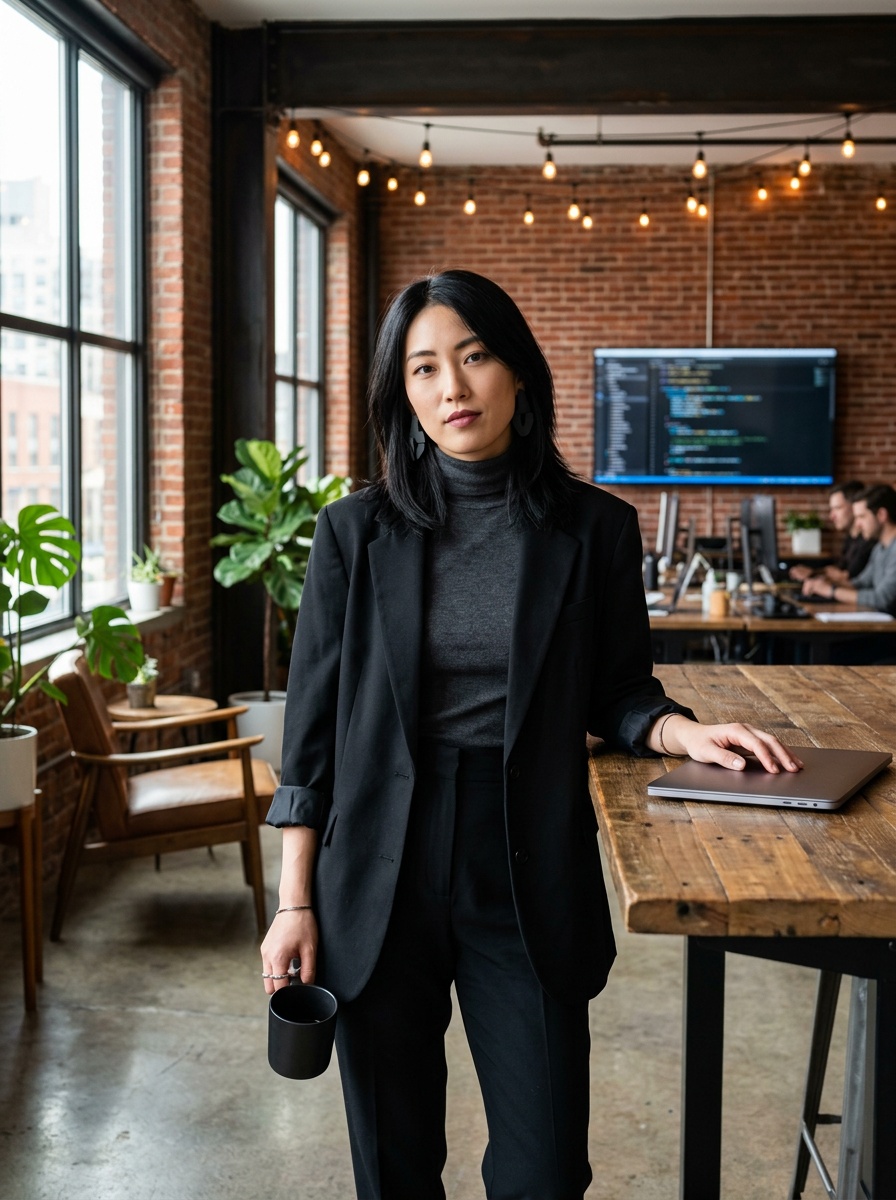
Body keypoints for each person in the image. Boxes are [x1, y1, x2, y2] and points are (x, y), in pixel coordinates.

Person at [260, 269, 801, 1200]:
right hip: (376, 869)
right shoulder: (354, 533)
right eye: (425, 369)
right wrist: (294, 902)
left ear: (518, 371)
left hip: (524, 858)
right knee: (392, 1167)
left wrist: (682, 734)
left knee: (546, 1168)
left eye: (474, 357)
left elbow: (618, 692)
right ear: (404, 391)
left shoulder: (594, 530)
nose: (453, 389)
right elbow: (308, 743)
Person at [802, 483, 896, 614]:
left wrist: (831, 591)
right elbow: (861, 583)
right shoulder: (880, 548)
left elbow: (881, 599)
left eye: (862, 517)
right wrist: (823, 584)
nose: (857, 524)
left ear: (881, 515)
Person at [790, 480, 873, 585]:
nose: (831, 516)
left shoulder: (870, 542)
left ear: (855, 506)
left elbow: (849, 579)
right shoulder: (850, 539)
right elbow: (839, 572)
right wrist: (814, 573)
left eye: (837, 508)